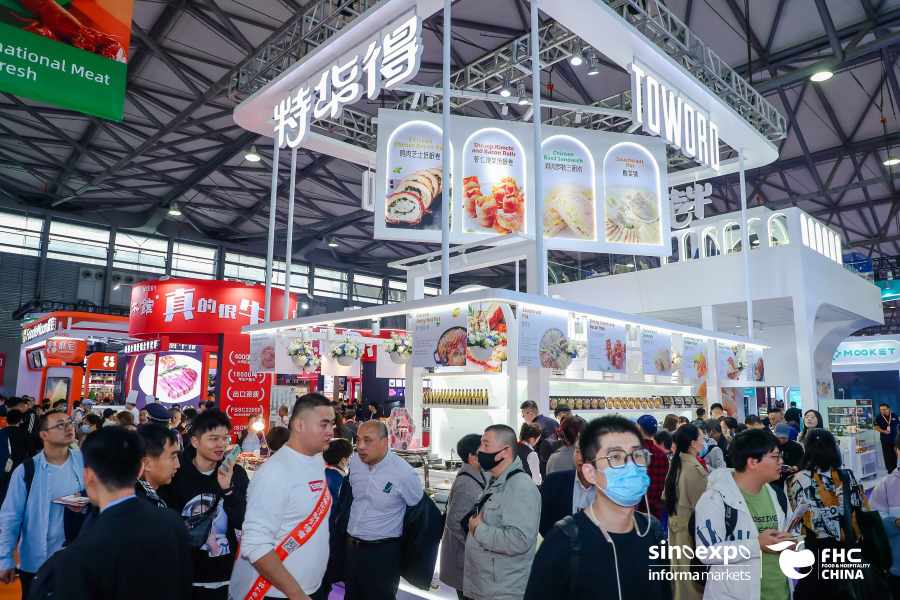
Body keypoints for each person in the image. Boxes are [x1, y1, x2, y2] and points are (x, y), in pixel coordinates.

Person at [525, 416, 669, 600]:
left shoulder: (652, 533)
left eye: (638, 455)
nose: (630, 466)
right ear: (590, 471)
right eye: (615, 457)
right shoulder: (563, 541)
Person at [48, 426, 192, 599]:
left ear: (88, 475)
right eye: (173, 456)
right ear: (141, 467)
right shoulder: (172, 522)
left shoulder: (77, 551)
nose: (178, 464)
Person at [229, 393, 335, 600]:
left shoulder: (316, 459)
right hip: (279, 594)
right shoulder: (274, 472)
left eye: (332, 424)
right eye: (323, 424)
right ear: (299, 425)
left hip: (312, 588)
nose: (331, 431)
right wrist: (296, 593)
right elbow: (255, 544)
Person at [159, 410, 249, 600]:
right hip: (186, 576)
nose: (221, 444)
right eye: (213, 439)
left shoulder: (236, 473)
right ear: (195, 441)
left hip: (228, 576)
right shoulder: (176, 474)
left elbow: (244, 521)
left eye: (225, 438)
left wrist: (228, 490)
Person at [694, 428, 792, 600]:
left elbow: (790, 532)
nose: (781, 462)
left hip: (780, 592)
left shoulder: (777, 495)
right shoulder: (716, 498)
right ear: (752, 462)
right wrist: (757, 544)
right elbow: (707, 552)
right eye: (775, 457)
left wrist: (793, 543)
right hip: (734, 594)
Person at [0, 410, 83, 599]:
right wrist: (4, 558)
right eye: (60, 425)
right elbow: (10, 517)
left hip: (76, 560)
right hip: (36, 561)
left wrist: (85, 501)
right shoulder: (26, 470)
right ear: (44, 434)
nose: (69, 427)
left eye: (70, 422)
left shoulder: (85, 464)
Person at [787, 428, 872, 600]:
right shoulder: (847, 476)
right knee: (847, 591)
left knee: (813, 590)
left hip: (815, 548)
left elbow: (795, 515)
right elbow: (860, 508)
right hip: (846, 545)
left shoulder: (796, 480)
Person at [344, 420, 425, 600]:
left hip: (382, 553)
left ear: (385, 442)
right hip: (352, 548)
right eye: (358, 440)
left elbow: (417, 508)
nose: (360, 446)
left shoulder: (404, 473)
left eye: (367, 440)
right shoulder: (355, 462)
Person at [464, 424, 540, 600]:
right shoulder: (495, 480)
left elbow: (519, 540)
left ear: (504, 452)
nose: (479, 450)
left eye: (486, 445)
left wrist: (478, 530)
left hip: (502, 591)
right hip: (484, 587)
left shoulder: (521, 486)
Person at [662, 424, 708, 600]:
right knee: (692, 587)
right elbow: (703, 507)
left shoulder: (677, 463)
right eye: (701, 438)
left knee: (681, 583)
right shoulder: (694, 469)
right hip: (690, 536)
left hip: (677, 532)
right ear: (693, 443)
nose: (704, 441)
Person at [440, 434, 486, 600]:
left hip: (469, 561)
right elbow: (454, 522)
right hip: (464, 561)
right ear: (472, 457)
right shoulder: (467, 483)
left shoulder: (477, 474)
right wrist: (474, 545)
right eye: (483, 449)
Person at [538, 444, 595, 537]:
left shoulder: (610, 489)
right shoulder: (553, 482)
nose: (580, 458)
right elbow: (542, 523)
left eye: (586, 453)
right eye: (577, 451)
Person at [868, 432, 900, 597]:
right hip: (896, 568)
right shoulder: (885, 485)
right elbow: (874, 526)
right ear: (897, 450)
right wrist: (895, 523)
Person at [136, 423, 181, 508]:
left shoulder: (166, 491)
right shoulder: (137, 507)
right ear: (146, 464)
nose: (178, 465)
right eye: (173, 457)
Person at [636, 414, 668, 520]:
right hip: (656, 509)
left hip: (637, 510)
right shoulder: (662, 455)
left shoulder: (633, 453)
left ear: (639, 429)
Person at [772, 423, 804, 496]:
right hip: (774, 479)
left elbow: (803, 461)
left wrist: (796, 467)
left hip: (791, 478)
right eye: (779, 437)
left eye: (784, 438)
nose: (781, 440)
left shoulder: (796, 447)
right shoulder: (770, 446)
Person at [875, 402, 900, 473]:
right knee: (887, 455)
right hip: (885, 440)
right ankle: (890, 470)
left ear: (888, 409)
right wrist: (883, 431)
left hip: (895, 439)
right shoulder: (878, 417)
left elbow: (898, 425)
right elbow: (876, 427)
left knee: (895, 454)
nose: (882, 411)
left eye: (884, 409)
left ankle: (895, 468)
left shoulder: (894, 415)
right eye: (881, 410)